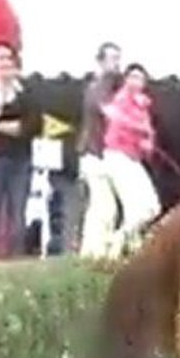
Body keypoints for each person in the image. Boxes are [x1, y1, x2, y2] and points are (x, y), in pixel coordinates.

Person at [0, 41, 42, 258]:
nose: (5, 63)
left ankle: (16, 256)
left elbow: (30, 127)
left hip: (21, 159)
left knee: (18, 211)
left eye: (8, 58)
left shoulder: (26, 92)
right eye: (0, 58)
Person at [98, 62, 161, 258]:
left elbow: (148, 137)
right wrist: (143, 130)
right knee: (139, 208)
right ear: (126, 80)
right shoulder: (121, 99)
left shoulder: (143, 105)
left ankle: (126, 245)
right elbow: (117, 119)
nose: (137, 82)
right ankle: (119, 242)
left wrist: (148, 143)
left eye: (141, 78)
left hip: (134, 158)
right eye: (133, 77)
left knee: (151, 207)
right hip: (117, 156)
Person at [76, 42, 122, 257]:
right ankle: (93, 249)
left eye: (118, 59)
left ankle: (93, 250)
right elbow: (110, 112)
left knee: (103, 204)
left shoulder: (110, 87)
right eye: (112, 59)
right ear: (101, 61)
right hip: (94, 152)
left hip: (100, 153)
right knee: (103, 206)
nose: (116, 64)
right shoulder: (98, 87)